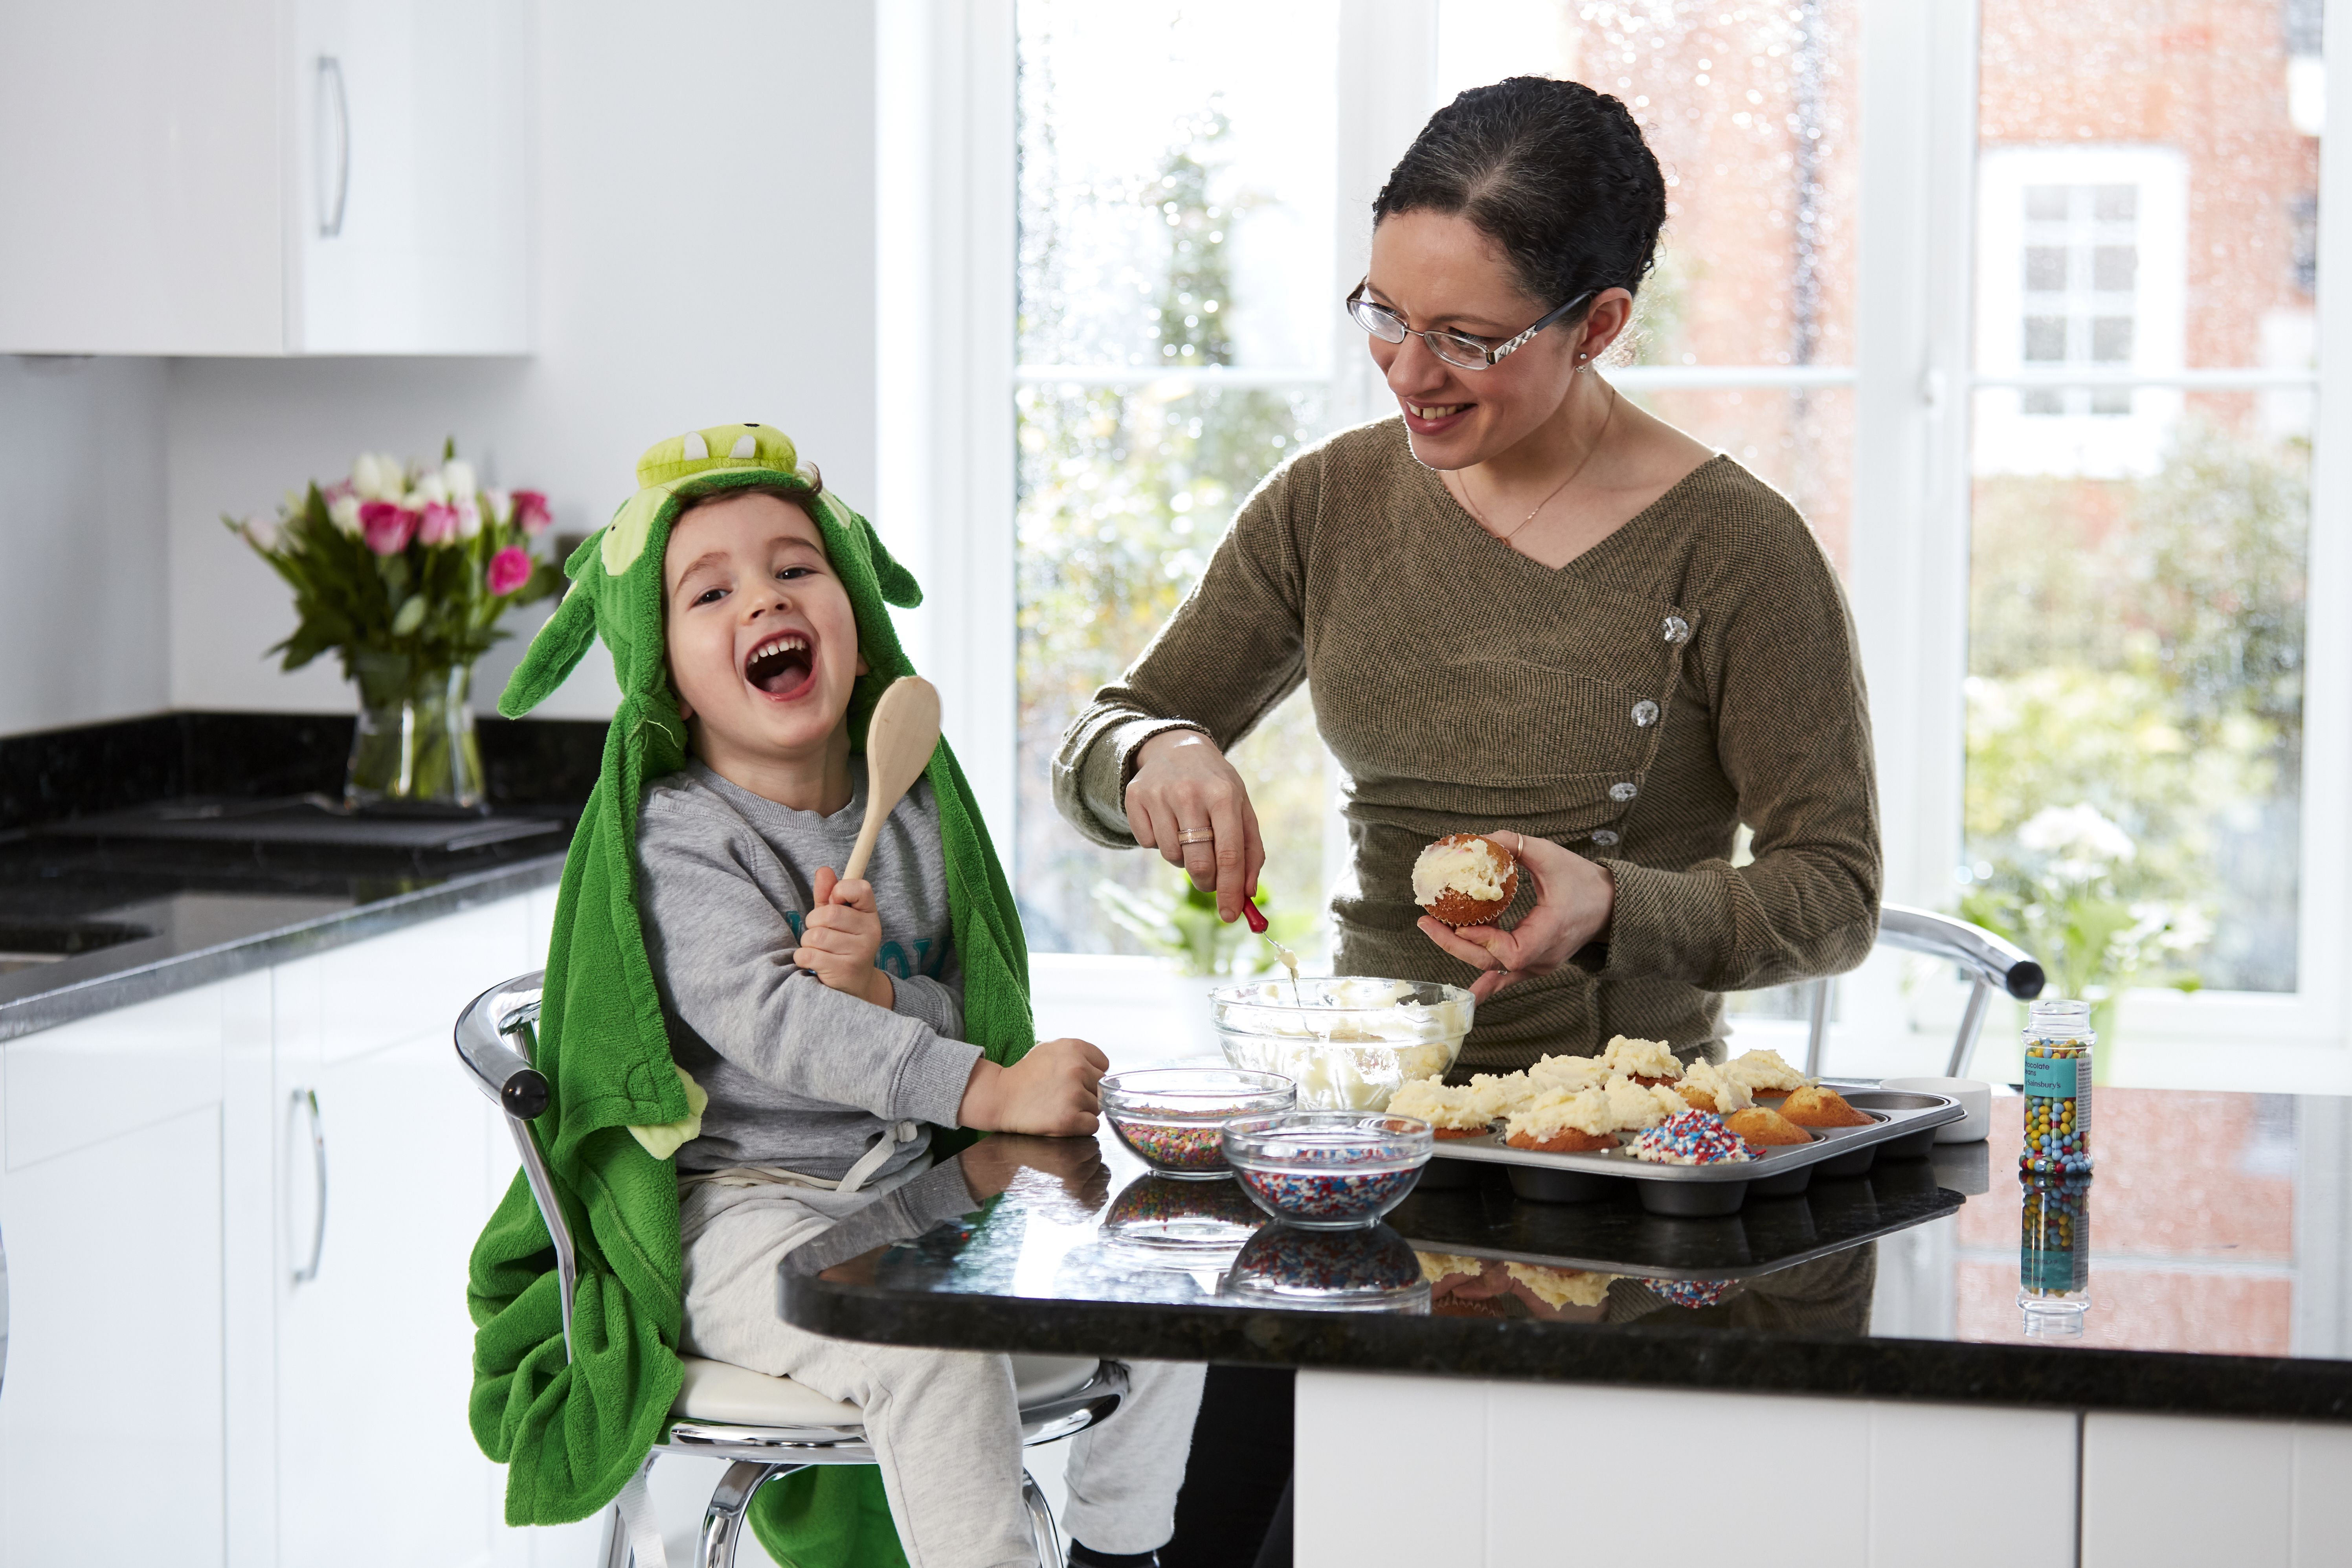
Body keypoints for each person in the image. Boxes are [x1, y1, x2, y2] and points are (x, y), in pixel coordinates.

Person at [468, 424, 1199, 1568]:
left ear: (856, 631)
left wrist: (885, 993)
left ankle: (1121, 1549)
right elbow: (776, 1024)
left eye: (795, 567)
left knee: (1166, 1282)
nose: (762, 598)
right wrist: (988, 1081)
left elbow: (957, 1003)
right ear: (665, 664)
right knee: (930, 1352)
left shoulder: (909, 812)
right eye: (710, 590)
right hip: (743, 1210)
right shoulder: (679, 836)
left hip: (910, 1185)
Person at [1054, 77, 1882, 1077]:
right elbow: (1100, 743)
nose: (1407, 372)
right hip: (1368, 1123)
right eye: (1386, 314)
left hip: (1619, 1131)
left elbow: (1833, 899)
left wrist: (1614, 905)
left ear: (1600, 325)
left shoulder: (1734, 548)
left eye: (1465, 339)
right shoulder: (1326, 503)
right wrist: (1159, 749)